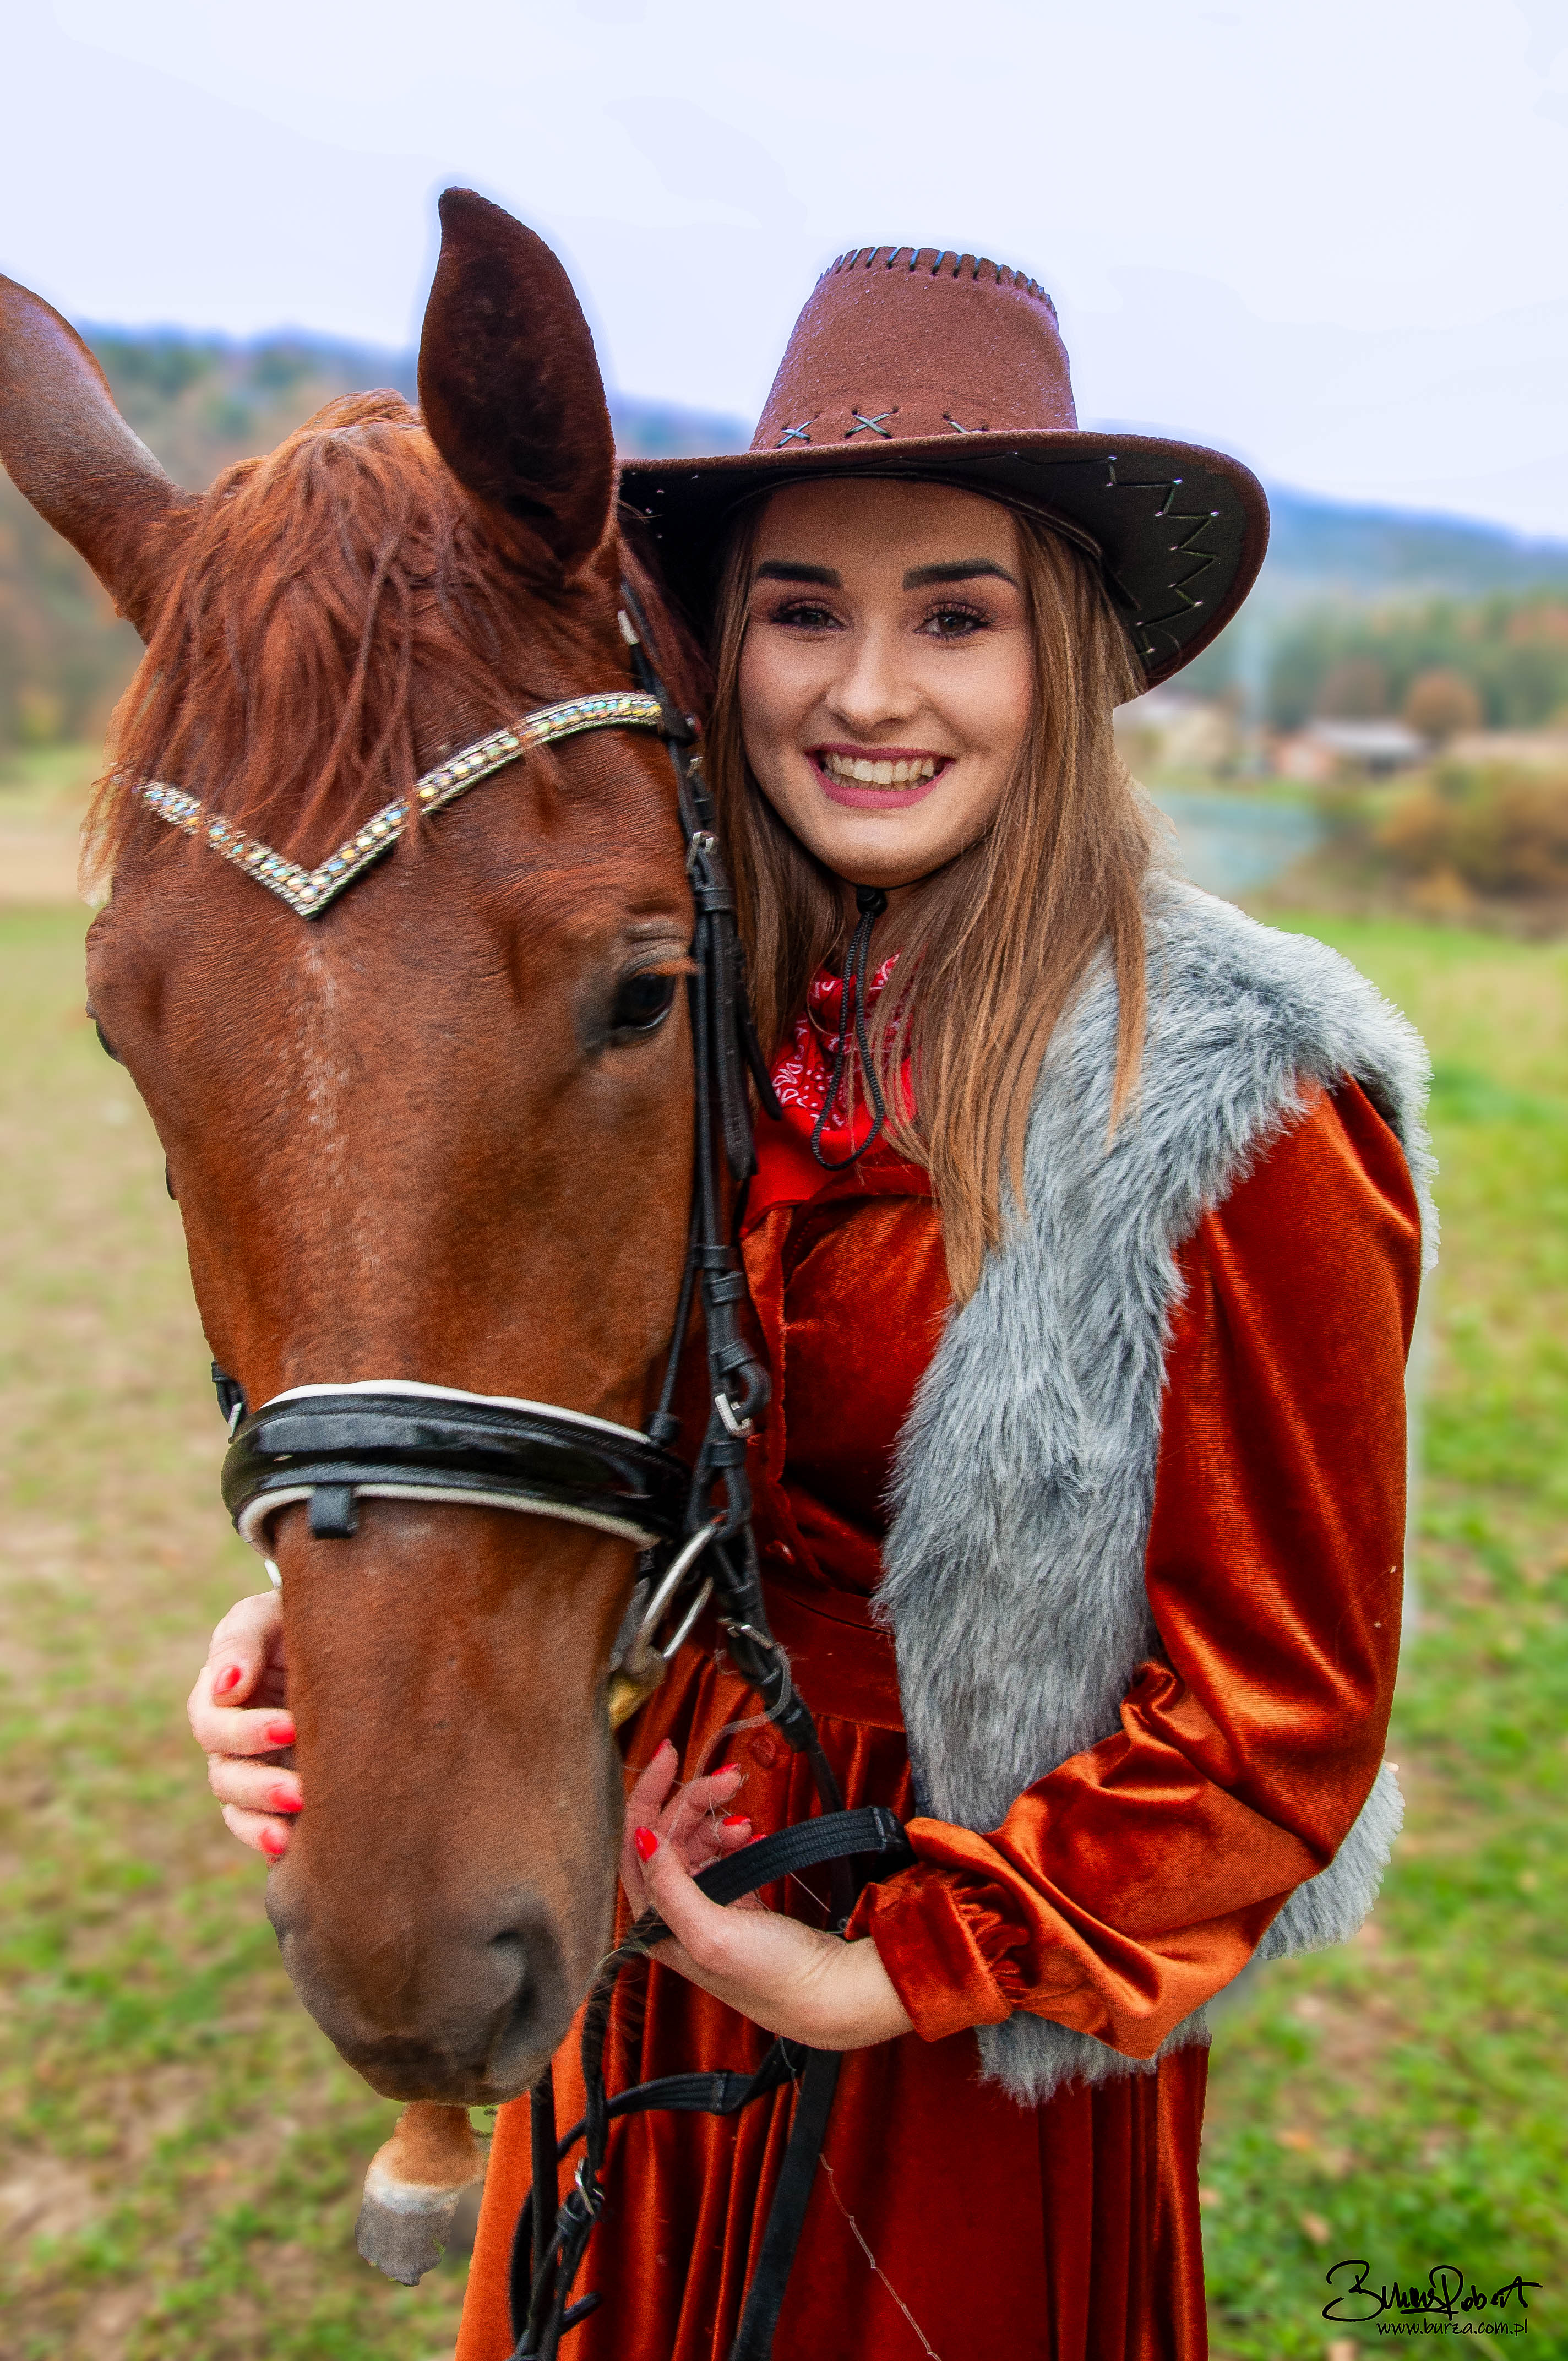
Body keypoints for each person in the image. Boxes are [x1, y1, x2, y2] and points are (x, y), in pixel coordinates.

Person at [189, 247, 1429, 2359]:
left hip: (970, 1999)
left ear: (1061, 657)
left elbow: (1282, 1720)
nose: (867, 692)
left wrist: (895, 1971)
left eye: (954, 615)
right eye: (799, 613)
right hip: (650, 1880)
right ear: (724, 649)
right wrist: (360, 1620)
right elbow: (593, 1439)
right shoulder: (686, 1016)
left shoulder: (1233, 1100)